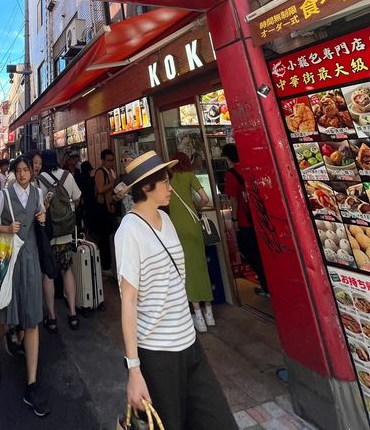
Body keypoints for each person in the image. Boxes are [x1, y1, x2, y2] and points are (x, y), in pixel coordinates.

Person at [115, 151, 237, 430]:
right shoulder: (129, 230)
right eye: (165, 182)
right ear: (146, 187)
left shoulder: (166, 220)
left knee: (219, 421)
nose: (170, 187)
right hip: (157, 354)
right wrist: (134, 368)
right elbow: (129, 301)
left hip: (190, 345)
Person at [0, 155, 50, 417]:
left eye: (26, 170)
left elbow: (40, 220)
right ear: (13, 173)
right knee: (3, 319)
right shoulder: (5, 194)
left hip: (31, 260)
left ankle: (32, 385)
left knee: (32, 319)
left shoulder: (38, 192)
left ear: (31, 173)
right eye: (18, 170)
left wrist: (42, 219)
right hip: (8, 259)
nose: (22, 174)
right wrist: (6, 228)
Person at [167, 151, 215, 332]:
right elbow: (205, 198)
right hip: (194, 224)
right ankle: (209, 313)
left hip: (177, 227)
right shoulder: (190, 176)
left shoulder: (168, 180)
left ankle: (198, 317)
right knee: (201, 267)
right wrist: (196, 208)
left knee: (185, 269)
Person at [38, 149, 82, 332]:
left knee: (48, 274)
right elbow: (78, 199)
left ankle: (52, 317)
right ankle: (72, 313)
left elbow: (37, 207)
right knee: (67, 269)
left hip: (48, 234)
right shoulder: (67, 175)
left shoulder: (39, 179)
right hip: (65, 231)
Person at [222, 143, 269, 297]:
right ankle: (267, 282)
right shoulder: (250, 168)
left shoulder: (231, 174)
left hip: (244, 221)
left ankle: (266, 284)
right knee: (263, 253)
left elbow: (233, 199)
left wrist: (234, 219)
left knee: (249, 252)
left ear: (228, 158)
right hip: (261, 219)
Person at [93, 148, 117, 272]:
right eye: (108, 160)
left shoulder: (111, 171)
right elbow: (100, 189)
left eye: (112, 160)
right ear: (102, 160)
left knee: (108, 236)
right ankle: (105, 264)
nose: (110, 163)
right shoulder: (100, 172)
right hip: (101, 208)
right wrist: (112, 184)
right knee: (104, 237)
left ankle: (108, 262)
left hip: (109, 207)